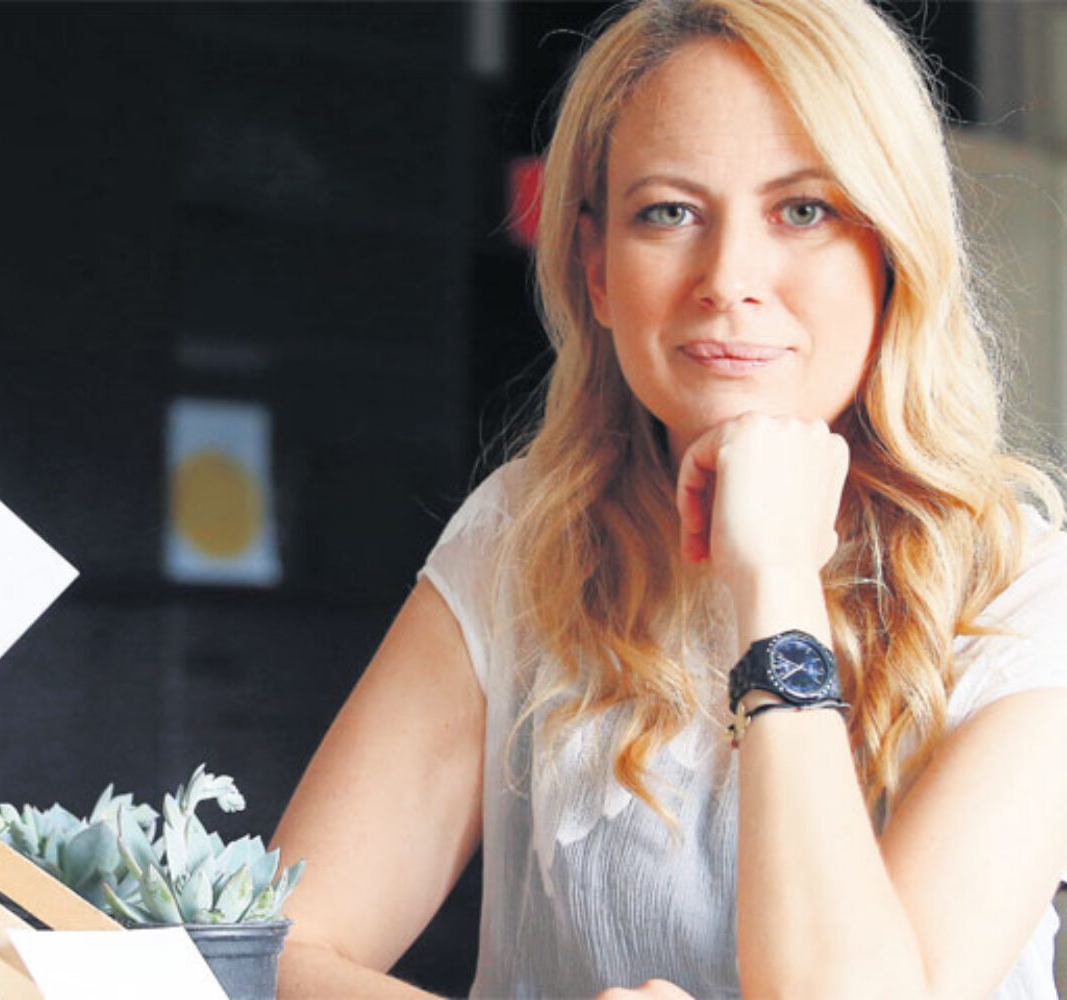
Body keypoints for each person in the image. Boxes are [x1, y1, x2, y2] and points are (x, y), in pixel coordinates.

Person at [269, 0, 1067, 997]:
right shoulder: (525, 539)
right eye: (669, 212)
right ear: (596, 269)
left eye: (804, 210)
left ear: (892, 257)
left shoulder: (1027, 596)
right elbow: (277, 953)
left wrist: (774, 577)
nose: (728, 279)